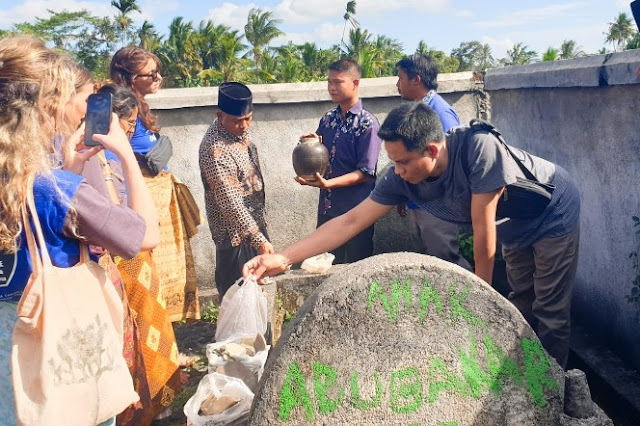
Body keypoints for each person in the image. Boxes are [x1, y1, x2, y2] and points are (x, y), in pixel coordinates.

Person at [243, 102, 581, 369]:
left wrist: (483, 308)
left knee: (549, 310)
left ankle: (554, 389)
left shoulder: (479, 148)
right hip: (512, 226)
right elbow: (350, 221)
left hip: (551, 211)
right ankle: (523, 370)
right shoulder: (401, 176)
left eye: (403, 162)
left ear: (432, 150)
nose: (398, 171)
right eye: (393, 161)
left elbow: (483, 234)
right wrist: (285, 257)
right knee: (522, 301)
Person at [0, 36, 159, 425]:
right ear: (47, 106)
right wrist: (123, 152)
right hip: (50, 338)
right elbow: (144, 236)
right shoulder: (51, 187)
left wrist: (68, 171)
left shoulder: (29, 181)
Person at [110, 46, 200, 323]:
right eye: (150, 74)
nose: (158, 78)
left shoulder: (139, 108)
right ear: (127, 78)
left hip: (159, 200)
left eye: (158, 73)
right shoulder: (119, 111)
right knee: (150, 275)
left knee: (166, 275)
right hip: (143, 200)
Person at [296, 58, 382, 264]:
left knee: (356, 270)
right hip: (328, 209)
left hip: (357, 213)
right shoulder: (328, 119)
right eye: (329, 82)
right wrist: (310, 142)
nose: (332, 87)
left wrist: (328, 184)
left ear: (355, 83)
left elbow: (365, 172)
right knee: (325, 266)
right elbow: (319, 155)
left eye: (338, 82)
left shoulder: (367, 123)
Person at [199, 82, 273, 299]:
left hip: (254, 227)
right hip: (234, 237)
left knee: (259, 294)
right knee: (238, 297)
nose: (244, 126)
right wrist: (258, 240)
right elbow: (230, 202)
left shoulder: (237, 134)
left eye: (248, 118)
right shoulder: (215, 150)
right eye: (237, 121)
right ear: (220, 116)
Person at [396, 54, 470, 270]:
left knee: (447, 263)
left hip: (439, 204)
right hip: (419, 201)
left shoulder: (441, 112)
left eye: (400, 78)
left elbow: (452, 162)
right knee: (428, 265)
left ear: (416, 79)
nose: (397, 84)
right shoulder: (415, 112)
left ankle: (474, 299)